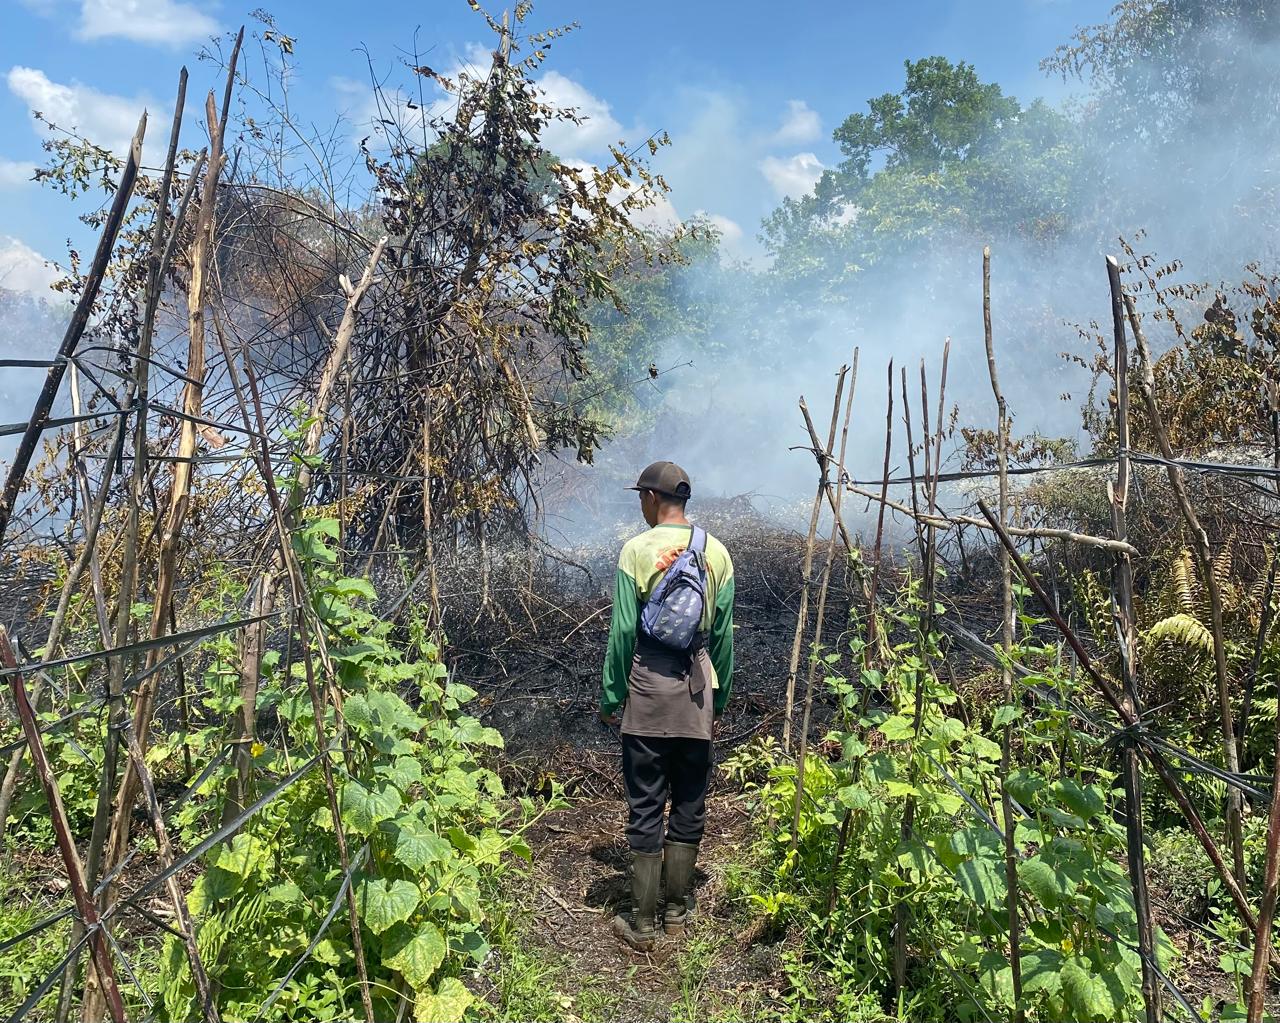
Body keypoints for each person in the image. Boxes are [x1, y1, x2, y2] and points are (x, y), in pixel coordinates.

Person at [599, 460, 735, 951]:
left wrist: (612, 695)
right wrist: (716, 699)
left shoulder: (635, 550)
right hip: (696, 690)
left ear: (653, 500)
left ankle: (643, 923)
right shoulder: (716, 552)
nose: (640, 504)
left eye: (641, 497)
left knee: (646, 801)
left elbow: (621, 633)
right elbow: (721, 637)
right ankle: (676, 912)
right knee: (690, 799)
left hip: (648, 690)